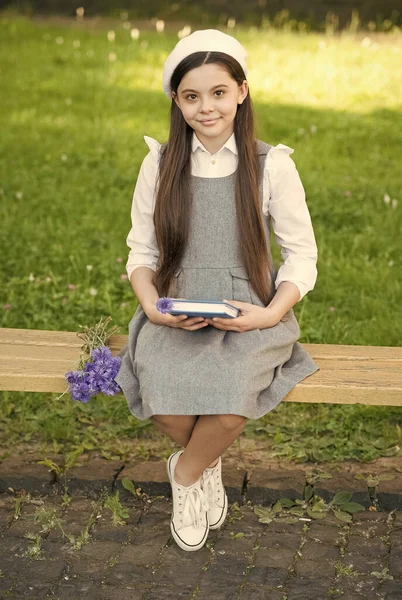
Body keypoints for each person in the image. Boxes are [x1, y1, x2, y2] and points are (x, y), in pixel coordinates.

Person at [114, 29, 320, 552]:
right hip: (176, 305)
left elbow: (302, 255)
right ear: (176, 101)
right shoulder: (160, 165)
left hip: (248, 308)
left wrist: (269, 315)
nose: (206, 107)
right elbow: (142, 253)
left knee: (230, 406)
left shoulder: (271, 164)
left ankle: (186, 474)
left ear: (242, 92)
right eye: (191, 96)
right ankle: (206, 458)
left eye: (218, 92)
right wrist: (152, 309)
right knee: (161, 399)